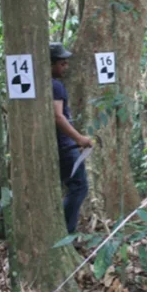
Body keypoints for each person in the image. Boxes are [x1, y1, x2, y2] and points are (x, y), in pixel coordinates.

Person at [50, 42, 93, 234]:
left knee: (74, 187)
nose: (65, 67)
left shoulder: (46, 84)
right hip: (66, 146)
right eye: (62, 64)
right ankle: (67, 233)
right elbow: (58, 116)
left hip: (62, 145)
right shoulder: (56, 86)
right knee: (79, 187)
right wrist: (79, 139)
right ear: (50, 64)